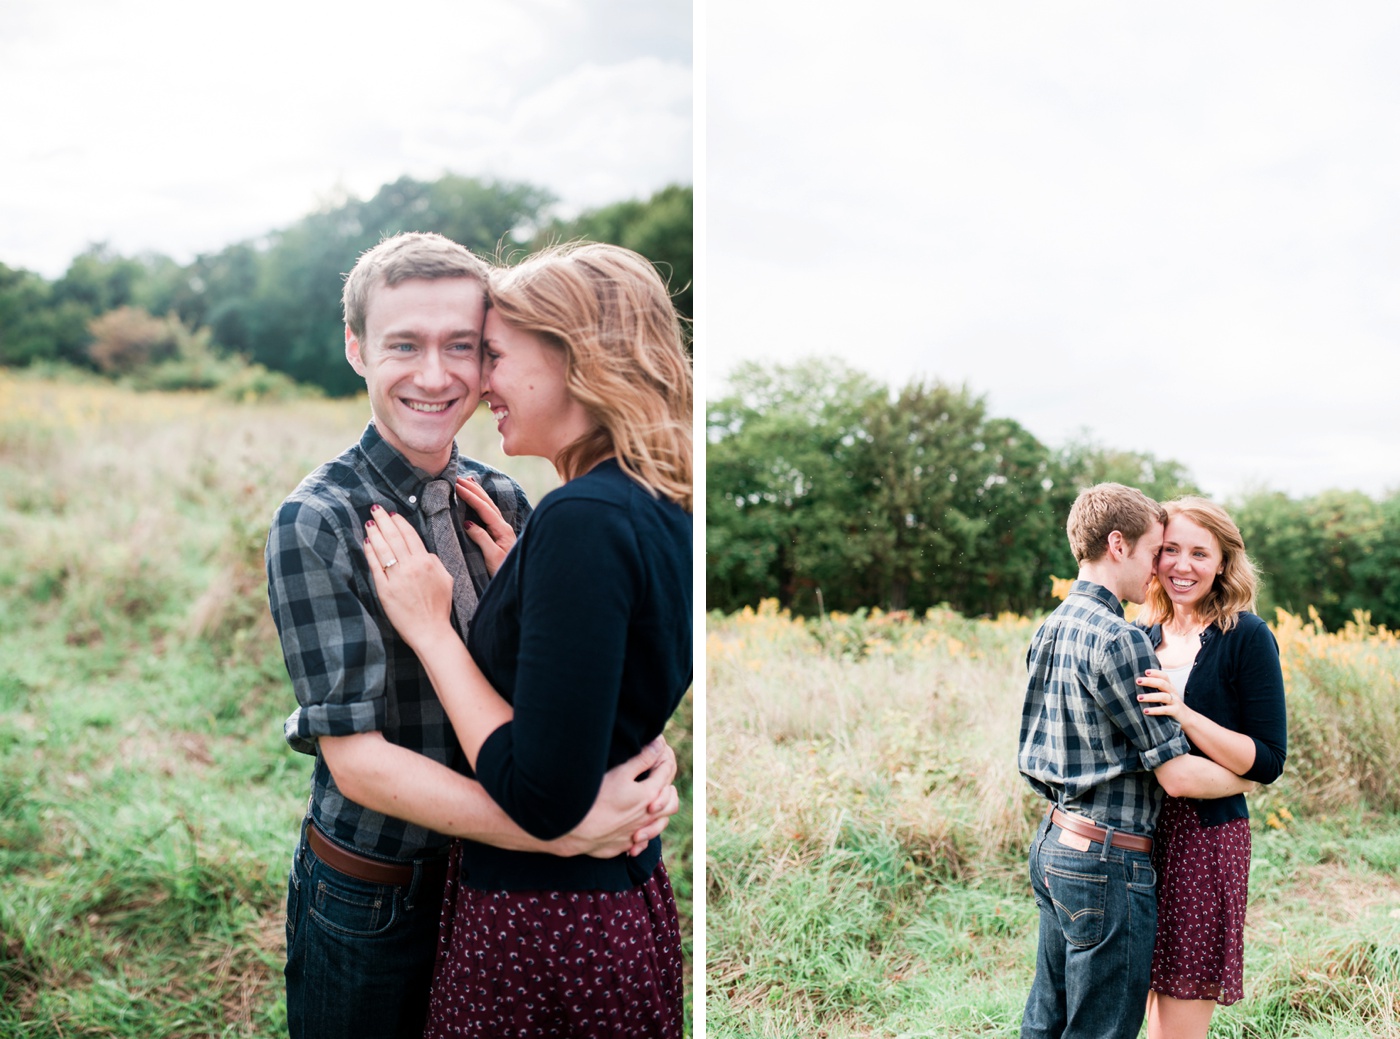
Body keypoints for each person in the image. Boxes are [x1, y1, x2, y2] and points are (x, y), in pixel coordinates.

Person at [264, 232, 679, 1039]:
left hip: (493, 890)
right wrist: (558, 830)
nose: (436, 374)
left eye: (464, 346)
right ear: (356, 350)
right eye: (404, 345)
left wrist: (643, 751)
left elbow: (564, 684)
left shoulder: (503, 496)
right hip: (377, 892)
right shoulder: (316, 520)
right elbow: (358, 762)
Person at [1017, 483, 1258, 1039]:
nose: (1160, 569)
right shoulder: (1122, 639)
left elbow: (1031, 751)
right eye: (1158, 551)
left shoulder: (1052, 625)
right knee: (1101, 1028)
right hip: (1107, 857)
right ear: (1119, 545)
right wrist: (1252, 774)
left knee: (1046, 1019)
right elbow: (1174, 774)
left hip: (1054, 840)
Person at [1133, 497, 1287, 1039]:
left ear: (1223, 563)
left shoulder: (1246, 636)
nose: (1182, 565)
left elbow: (1268, 758)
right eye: (1170, 550)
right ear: (1151, 556)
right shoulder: (1137, 634)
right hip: (1131, 838)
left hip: (1203, 840)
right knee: (1143, 998)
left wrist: (1184, 713)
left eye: (1200, 553)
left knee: (1181, 1006)